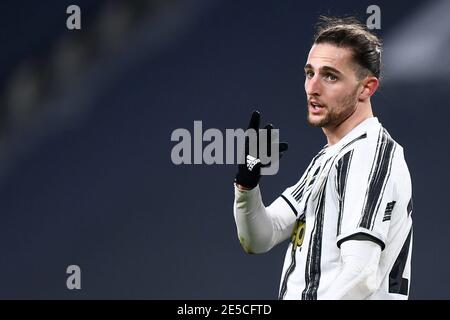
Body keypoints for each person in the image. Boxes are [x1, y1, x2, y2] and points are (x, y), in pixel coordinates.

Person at [233, 16, 413, 300]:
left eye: (330, 76)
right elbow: (260, 237)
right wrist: (247, 185)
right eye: (309, 73)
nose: (312, 88)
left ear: (366, 88)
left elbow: (361, 276)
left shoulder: (368, 156)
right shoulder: (331, 157)